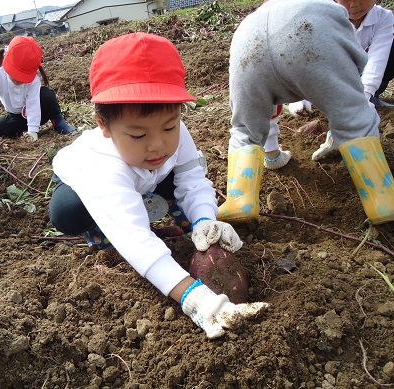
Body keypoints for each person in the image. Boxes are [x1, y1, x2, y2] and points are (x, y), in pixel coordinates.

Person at [49, 32, 268, 339]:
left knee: (175, 180)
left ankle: (181, 220)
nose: (157, 145)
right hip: (84, 189)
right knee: (68, 212)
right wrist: (196, 299)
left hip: (149, 180)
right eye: (138, 135)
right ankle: (101, 234)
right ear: (104, 126)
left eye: (170, 126)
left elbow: (193, 180)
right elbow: (135, 240)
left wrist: (205, 220)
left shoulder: (170, 138)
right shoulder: (99, 165)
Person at [219, 0, 394, 225]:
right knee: (353, 117)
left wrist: (272, 155)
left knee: (245, 126)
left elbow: (265, 110)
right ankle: (382, 199)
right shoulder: (327, 10)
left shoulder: (263, 13)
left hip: (245, 41)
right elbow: (356, 63)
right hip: (305, 33)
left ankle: (239, 200)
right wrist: (346, 102)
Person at [286, 0, 394, 161]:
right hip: (325, 75)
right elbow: (306, 57)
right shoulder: (320, 14)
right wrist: (301, 94)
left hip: (359, 76)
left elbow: (376, 63)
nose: (354, 5)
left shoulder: (384, 18)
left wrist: (362, 100)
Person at [0, 36, 75, 141]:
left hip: (39, 113)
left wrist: (33, 130)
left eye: (23, 76)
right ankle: (14, 132)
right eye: (15, 74)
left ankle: (58, 121)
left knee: (47, 95)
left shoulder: (34, 80)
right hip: (18, 118)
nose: (18, 80)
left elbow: (33, 105)